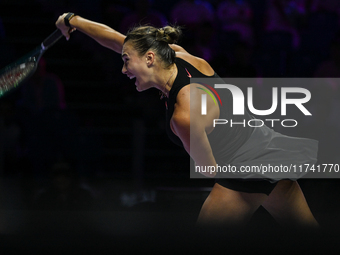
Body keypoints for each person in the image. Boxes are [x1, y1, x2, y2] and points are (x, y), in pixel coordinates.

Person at [55, 13, 319, 229]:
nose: (123, 69)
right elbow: (118, 41)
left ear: (149, 59)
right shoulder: (178, 56)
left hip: (246, 166)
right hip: (268, 146)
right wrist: (73, 21)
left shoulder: (184, 113)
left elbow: (209, 170)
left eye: (126, 62)